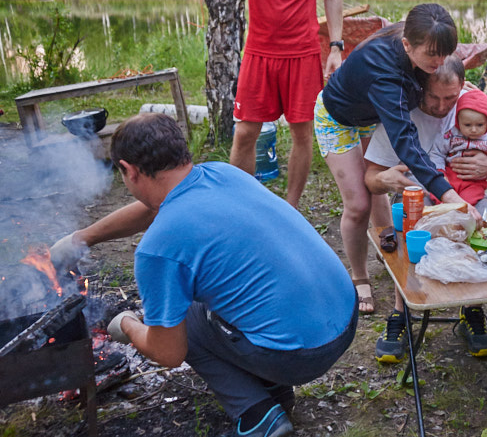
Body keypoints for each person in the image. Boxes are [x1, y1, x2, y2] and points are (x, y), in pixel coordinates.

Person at [49, 113, 357, 437]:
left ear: (128, 170)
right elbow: (155, 207)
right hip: (344, 319)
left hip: (302, 355)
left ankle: (259, 417)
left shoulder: (157, 250)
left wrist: (127, 324)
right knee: (236, 296)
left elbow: (169, 353)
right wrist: (82, 238)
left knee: (189, 321)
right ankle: (275, 391)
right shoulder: (222, 173)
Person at [314, 3, 476, 317]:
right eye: (433, 55)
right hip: (339, 117)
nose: (439, 61)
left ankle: (389, 254)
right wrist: (448, 194)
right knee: (359, 203)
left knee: (379, 188)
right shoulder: (384, 73)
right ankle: (359, 277)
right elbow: (405, 142)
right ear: (406, 45)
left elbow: (443, 70)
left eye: (445, 53)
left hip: (373, 111)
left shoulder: (420, 35)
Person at [204, 0, 344, 209]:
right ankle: (243, 205)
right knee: (245, 133)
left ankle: (290, 207)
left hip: (302, 52)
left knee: (301, 134)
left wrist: (336, 45)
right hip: (259, 52)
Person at [364, 56, 487, 362]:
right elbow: (370, 179)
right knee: (411, 231)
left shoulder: (475, 106)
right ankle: (401, 312)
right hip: (420, 197)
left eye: (450, 99)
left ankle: (472, 310)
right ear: (420, 88)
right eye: (433, 97)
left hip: (468, 197)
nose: (442, 108)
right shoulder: (402, 115)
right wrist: (383, 179)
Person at [431, 88, 487, 207]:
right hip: (450, 176)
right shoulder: (450, 135)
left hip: (474, 182)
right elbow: (437, 153)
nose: (474, 130)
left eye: (480, 125)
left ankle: (460, 221)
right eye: (467, 125)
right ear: (458, 121)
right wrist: (440, 172)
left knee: (467, 204)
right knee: (438, 197)